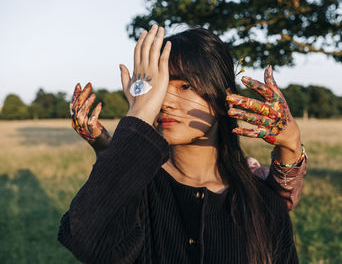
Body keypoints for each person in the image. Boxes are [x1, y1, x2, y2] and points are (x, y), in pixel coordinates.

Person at [58, 25, 307, 264]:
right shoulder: (138, 192)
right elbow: (88, 243)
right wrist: (139, 113)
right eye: (157, 87)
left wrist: (291, 144)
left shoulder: (262, 203)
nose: (164, 101)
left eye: (185, 86)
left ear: (223, 98)